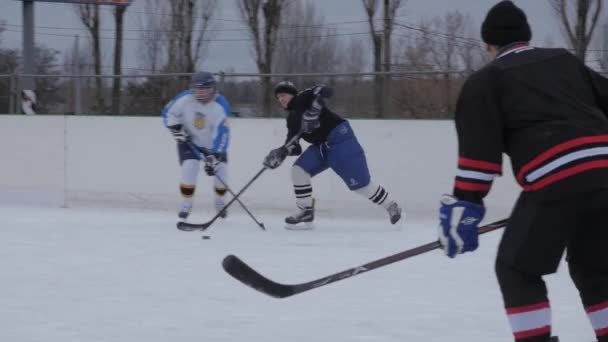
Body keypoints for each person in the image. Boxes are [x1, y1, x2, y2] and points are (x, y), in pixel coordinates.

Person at [437, 2, 608, 342]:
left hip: (556, 179)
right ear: (527, 37)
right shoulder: (565, 61)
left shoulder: (486, 81)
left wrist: (464, 208)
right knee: (597, 271)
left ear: (489, 45)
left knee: (516, 268)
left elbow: (478, 161)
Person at [263, 81, 403, 229]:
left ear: (293, 94)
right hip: (321, 149)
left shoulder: (304, 97)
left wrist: (315, 107)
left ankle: (391, 206)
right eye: (278, 97)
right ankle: (305, 211)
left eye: (284, 95)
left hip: (341, 141)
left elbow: (325, 89)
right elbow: (294, 146)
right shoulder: (291, 120)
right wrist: (281, 152)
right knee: (298, 170)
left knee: (361, 186)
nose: (281, 99)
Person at [162, 71, 231, 222]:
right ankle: (186, 204)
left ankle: (220, 202)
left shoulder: (220, 104)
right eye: (197, 88)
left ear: (212, 88)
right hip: (189, 142)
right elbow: (168, 113)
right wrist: (176, 130)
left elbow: (222, 132)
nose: (200, 92)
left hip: (213, 146)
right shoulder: (185, 98)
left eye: (205, 88)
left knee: (221, 174)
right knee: (189, 168)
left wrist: (215, 155)